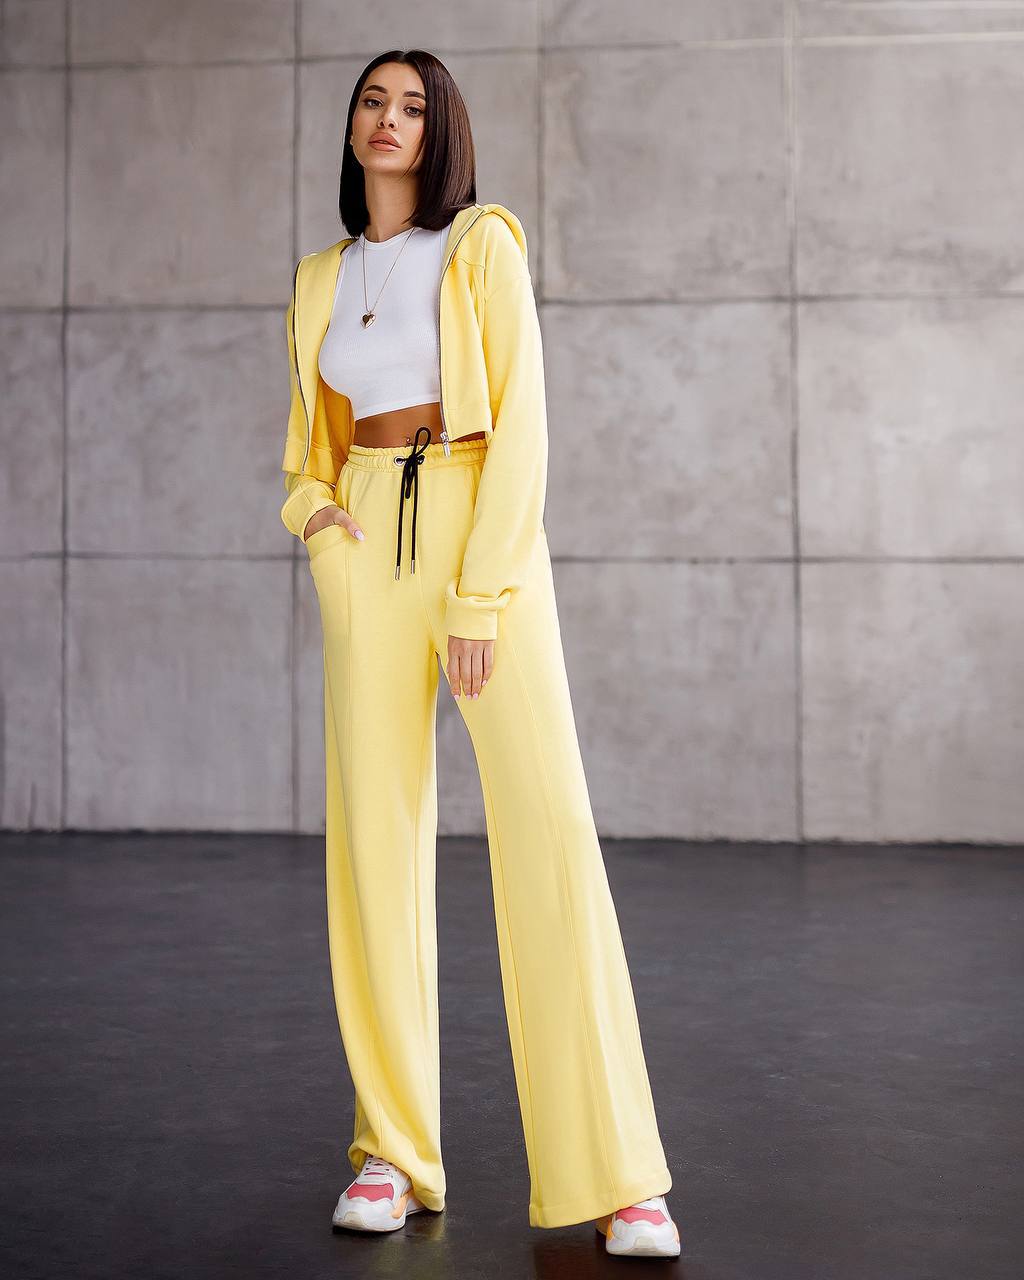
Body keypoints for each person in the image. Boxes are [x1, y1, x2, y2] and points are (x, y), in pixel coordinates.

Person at [279, 48, 681, 1259]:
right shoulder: (317, 279)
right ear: (350, 126)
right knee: (377, 847)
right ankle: (392, 1151)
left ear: (439, 129)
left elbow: (523, 431)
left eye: (411, 105)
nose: (387, 119)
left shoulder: (481, 247)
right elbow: (305, 452)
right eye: (371, 100)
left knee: (549, 831)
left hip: (476, 528)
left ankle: (618, 1171)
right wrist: (318, 528)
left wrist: (479, 595)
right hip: (366, 538)